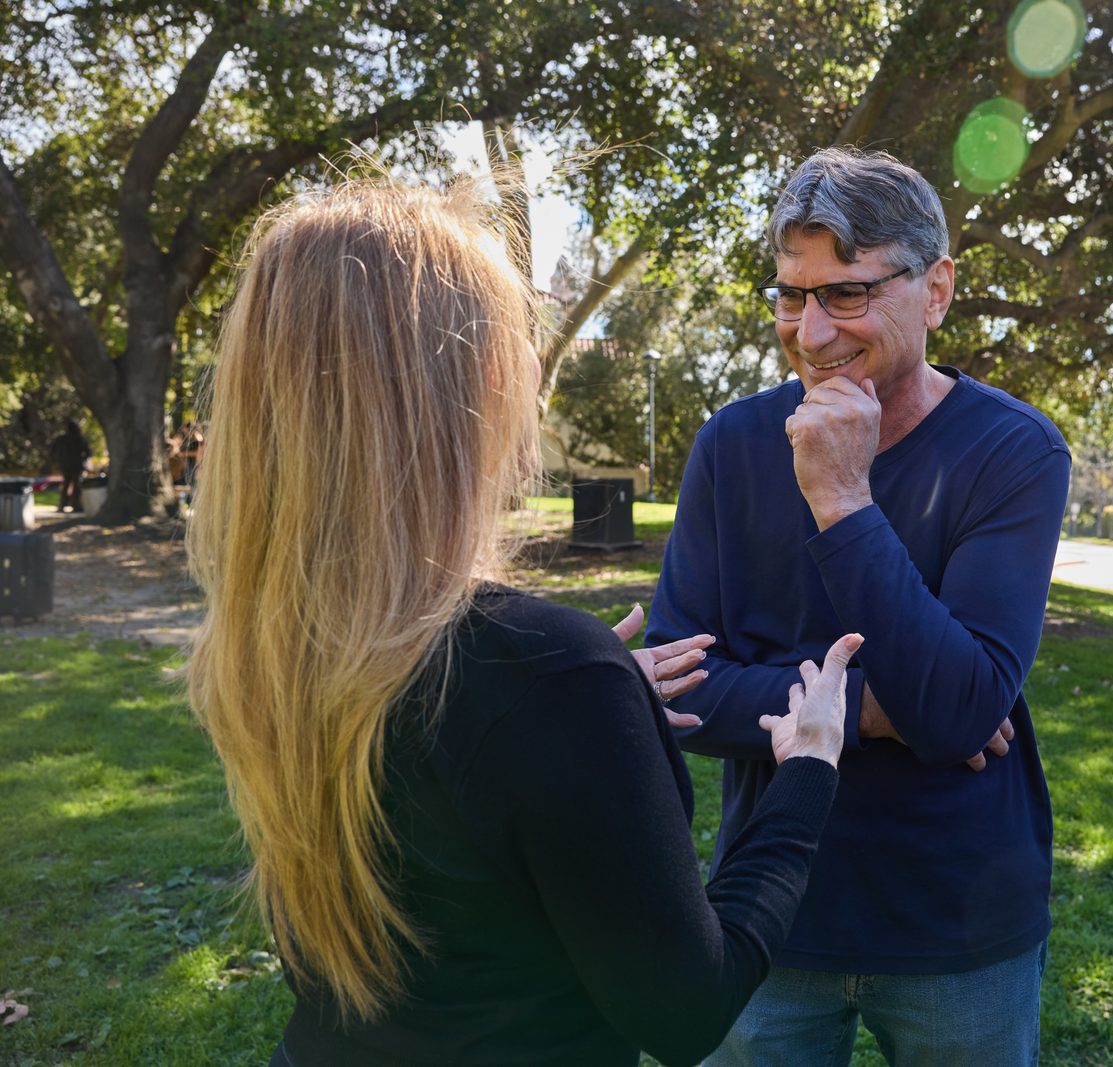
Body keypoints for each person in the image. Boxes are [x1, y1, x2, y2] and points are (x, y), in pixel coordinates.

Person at [185, 180, 861, 1067]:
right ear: (478, 383)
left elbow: (451, 816)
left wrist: (591, 721)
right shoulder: (546, 675)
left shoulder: (271, 644)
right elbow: (688, 1010)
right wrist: (805, 772)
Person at [646, 147, 1072, 1064]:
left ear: (938, 288)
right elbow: (678, 694)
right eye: (790, 294)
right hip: (769, 911)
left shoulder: (1016, 452)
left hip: (958, 919)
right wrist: (874, 709)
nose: (810, 330)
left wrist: (843, 498)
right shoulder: (731, 443)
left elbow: (961, 708)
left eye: (846, 293)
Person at [49, 420, 89, 512]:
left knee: (66, 485)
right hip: (77, 466)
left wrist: (57, 461)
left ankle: (62, 505)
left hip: (64, 465)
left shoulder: (60, 439)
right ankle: (76, 506)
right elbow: (87, 452)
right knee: (76, 486)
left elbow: (52, 452)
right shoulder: (80, 439)